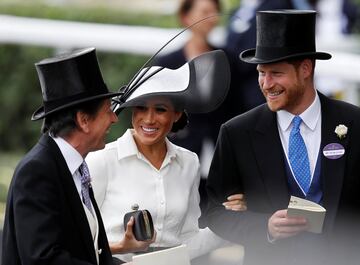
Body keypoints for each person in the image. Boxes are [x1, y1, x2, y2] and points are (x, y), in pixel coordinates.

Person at [206, 10, 360, 265]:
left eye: (276, 73)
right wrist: (264, 227)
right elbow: (214, 212)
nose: (266, 84)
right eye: (260, 73)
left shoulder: (355, 123)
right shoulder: (237, 133)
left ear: (306, 69)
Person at [86, 50, 246, 263]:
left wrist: (233, 218)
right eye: (141, 108)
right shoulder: (101, 160)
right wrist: (118, 247)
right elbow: (77, 240)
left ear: (177, 113)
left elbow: (188, 241)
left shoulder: (189, 162)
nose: (149, 119)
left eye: (160, 110)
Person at [1, 47, 125, 265]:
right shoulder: (38, 171)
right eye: (107, 110)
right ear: (83, 120)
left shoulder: (75, 168)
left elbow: (91, 251)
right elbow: (42, 259)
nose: (114, 118)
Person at [153, 0, 224, 219]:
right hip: (178, 148)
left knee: (209, 215)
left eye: (214, 12)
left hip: (216, 152)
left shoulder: (226, 59)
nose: (210, 17)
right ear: (186, 17)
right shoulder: (167, 61)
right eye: (204, 11)